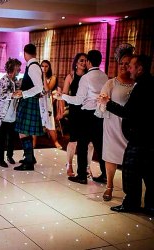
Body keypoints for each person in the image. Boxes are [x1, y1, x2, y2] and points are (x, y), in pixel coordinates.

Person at [98, 54, 154, 215]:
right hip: (148, 135)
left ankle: (131, 204)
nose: (128, 68)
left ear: (140, 68)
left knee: (131, 172)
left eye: (131, 65)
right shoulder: (150, 83)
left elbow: (129, 112)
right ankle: (150, 205)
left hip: (140, 136)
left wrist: (107, 103)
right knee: (149, 173)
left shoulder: (141, 86)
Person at [55, 49, 108, 184]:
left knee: (83, 145)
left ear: (89, 62)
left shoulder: (86, 77)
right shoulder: (104, 76)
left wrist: (62, 96)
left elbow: (78, 100)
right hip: (99, 114)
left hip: (86, 115)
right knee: (99, 145)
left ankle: (82, 176)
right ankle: (104, 174)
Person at [96, 43, 135, 201]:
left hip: (131, 127)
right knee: (111, 156)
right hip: (113, 125)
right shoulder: (111, 83)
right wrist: (103, 101)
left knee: (130, 159)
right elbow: (100, 104)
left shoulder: (137, 84)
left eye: (128, 64)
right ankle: (109, 186)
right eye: (121, 63)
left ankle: (131, 192)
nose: (124, 66)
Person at [59, 53, 92, 177]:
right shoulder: (71, 76)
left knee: (89, 142)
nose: (83, 63)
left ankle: (87, 167)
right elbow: (64, 94)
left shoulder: (89, 76)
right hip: (74, 110)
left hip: (87, 111)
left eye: (85, 60)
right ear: (76, 63)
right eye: (81, 60)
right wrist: (61, 110)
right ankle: (69, 164)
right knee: (73, 140)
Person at [13, 43, 44, 171]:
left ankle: (29, 161)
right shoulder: (33, 65)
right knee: (24, 131)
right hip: (29, 100)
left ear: (25, 53)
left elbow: (39, 87)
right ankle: (29, 157)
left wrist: (23, 93)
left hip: (29, 101)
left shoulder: (32, 67)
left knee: (22, 131)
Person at [0, 58, 22, 168]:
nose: (20, 69)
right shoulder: (3, 80)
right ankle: (0, 159)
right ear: (13, 68)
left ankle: (10, 155)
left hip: (12, 113)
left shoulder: (16, 81)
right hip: (2, 114)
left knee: (11, 137)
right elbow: (0, 96)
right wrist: (12, 95)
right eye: (18, 67)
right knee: (2, 138)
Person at [34, 60, 62, 149]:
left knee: (50, 122)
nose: (44, 68)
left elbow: (47, 89)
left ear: (49, 67)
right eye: (42, 66)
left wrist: (44, 75)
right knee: (36, 123)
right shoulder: (37, 77)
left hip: (47, 102)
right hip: (38, 101)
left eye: (46, 66)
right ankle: (33, 143)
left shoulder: (52, 77)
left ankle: (55, 142)